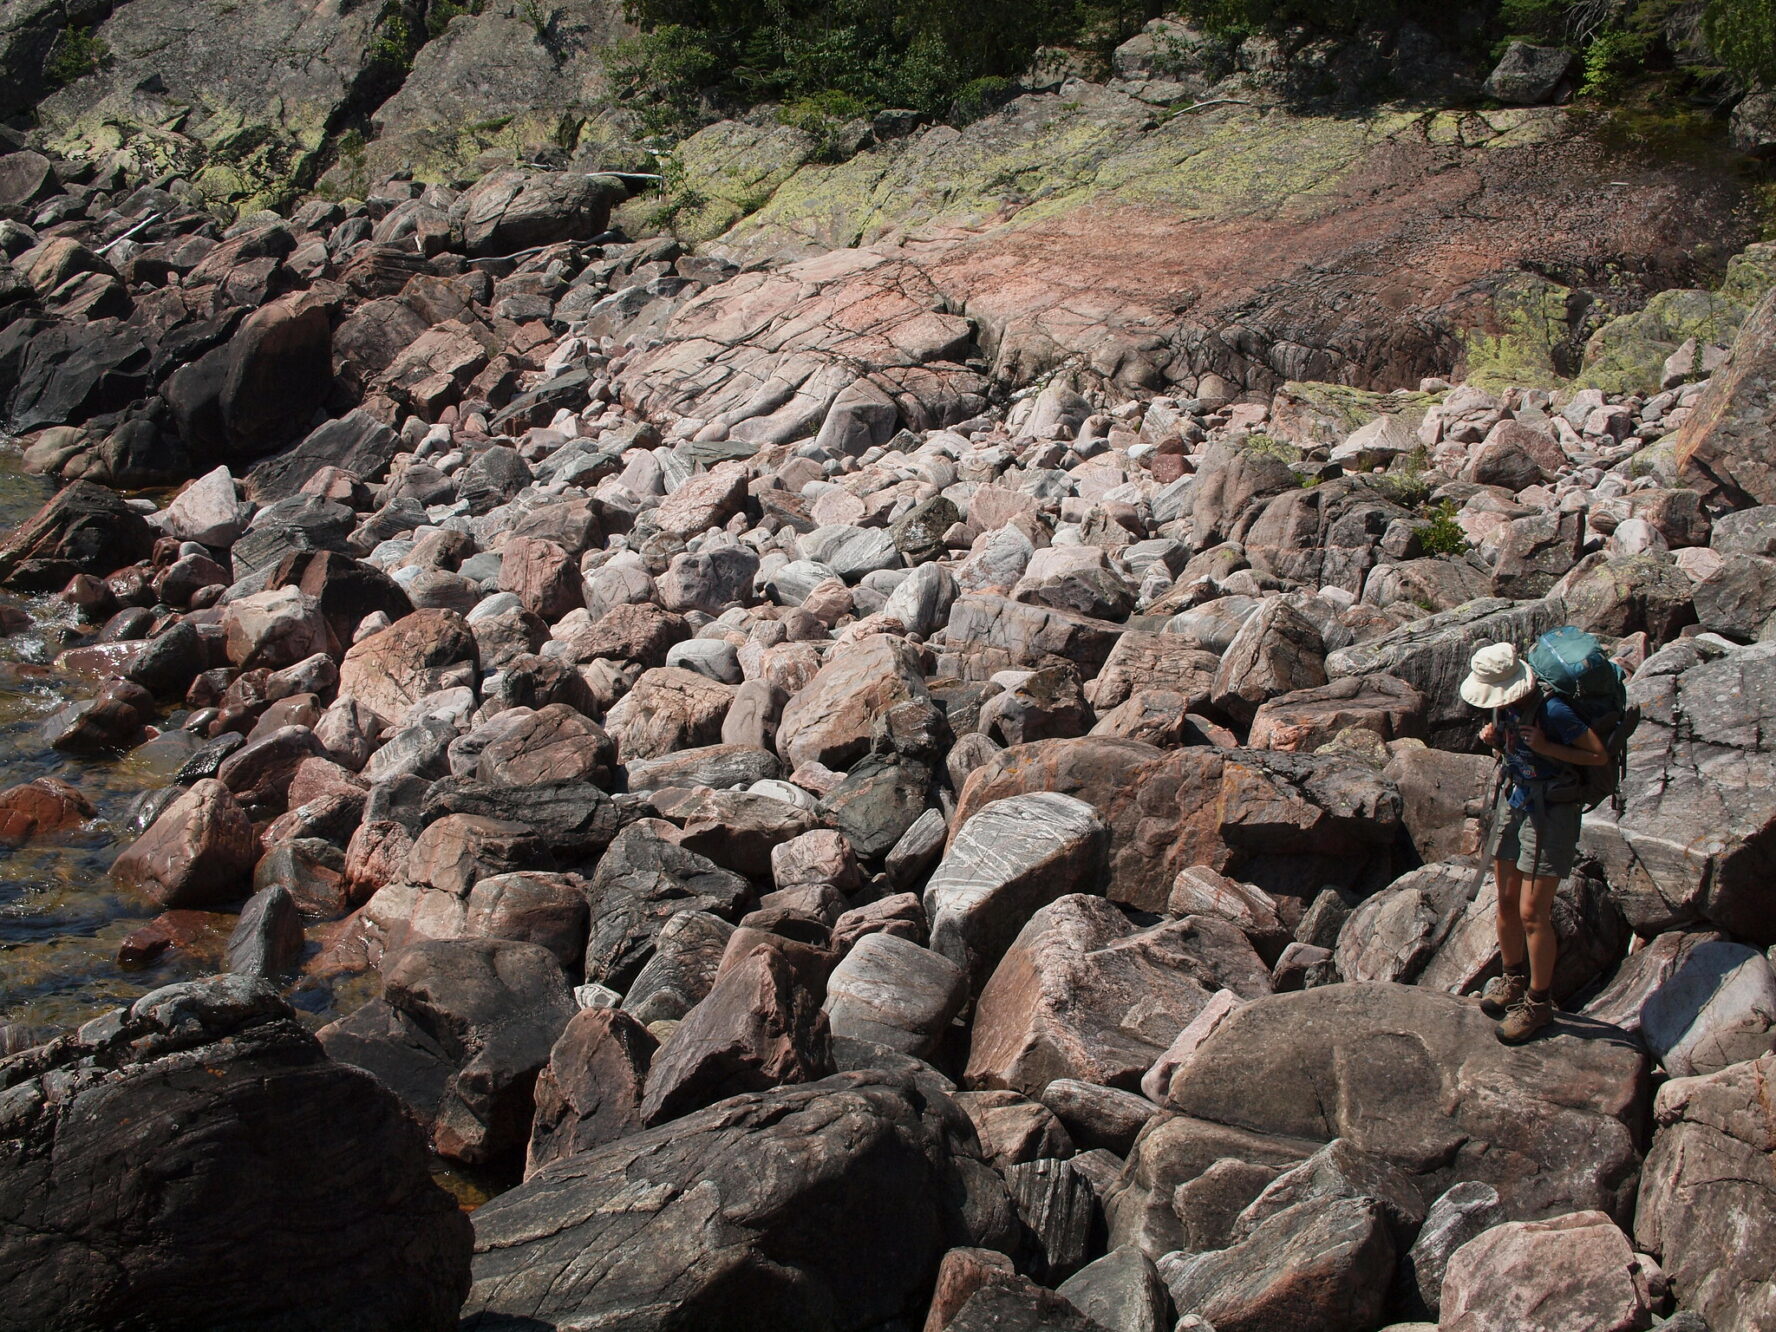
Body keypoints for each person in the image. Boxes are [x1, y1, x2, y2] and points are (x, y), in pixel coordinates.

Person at [1460, 641, 1610, 1044]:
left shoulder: (1554, 710)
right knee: (1506, 900)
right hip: (1517, 799)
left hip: (1553, 810)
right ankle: (1511, 978)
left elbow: (1598, 756)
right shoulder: (1506, 706)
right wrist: (1496, 740)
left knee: (1532, 912)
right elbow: (1515, 749)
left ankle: (1539, 1004)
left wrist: (1546, 747)